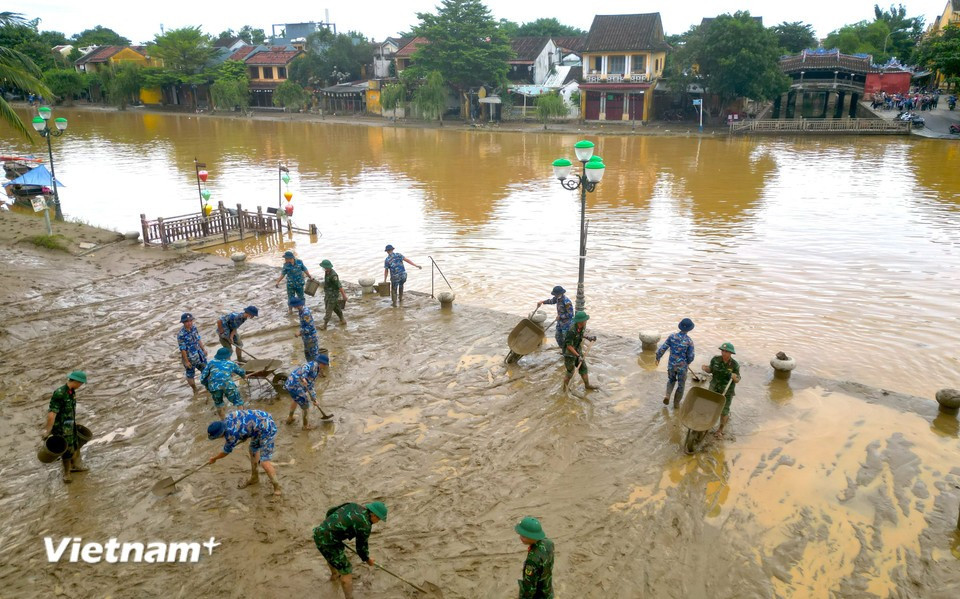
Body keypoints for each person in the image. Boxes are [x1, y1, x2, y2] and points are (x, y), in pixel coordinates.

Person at [313, 501, 388, 599]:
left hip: (319, 531)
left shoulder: (353, 505)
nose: (378, 522)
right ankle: (349, 598)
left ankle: (334, 575)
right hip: (328, 542)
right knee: (346, 570)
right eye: (379, 519)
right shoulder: (365, 525)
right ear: (374, 515)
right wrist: (368, 560)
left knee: (331, 556)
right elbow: (361, 548)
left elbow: (331, 511)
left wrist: (330, 529)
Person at [207, 409, 281, 496]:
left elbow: (225, 452)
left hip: (267, 428)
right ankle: (254, 477)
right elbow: (243, 422)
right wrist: (245, 434)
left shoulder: (231, 434)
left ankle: (277, 490)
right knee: (252, 449)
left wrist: (214, 459)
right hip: (259, 424)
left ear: (220, 434)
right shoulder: (227, 418)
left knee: (265, 463)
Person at [41, 371, 88, 483]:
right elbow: (52, 414)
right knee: (66, 449)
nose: (81, 386)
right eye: (81, 383)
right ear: (76, 381)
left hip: (70, 425)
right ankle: (67, 473)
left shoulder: (71, 392)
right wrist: (47, 430)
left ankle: (75, 466)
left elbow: (69, 410)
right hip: (61, 428)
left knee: (75, 444)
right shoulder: (60, 393)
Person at [701, 342, 741, 439]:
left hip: (727, 391)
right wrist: (706, 368)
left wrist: (734, 377)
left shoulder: (735, 365)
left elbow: (738, 379)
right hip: (714, 387)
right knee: (710, 407)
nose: (724, 353)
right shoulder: (715, 359)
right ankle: (707, 425)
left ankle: (720, 430)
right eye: (723, 351)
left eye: (726, 351)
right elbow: (711, 370)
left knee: (724, 411)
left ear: (731, 353)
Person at [656, 318, 696, 407]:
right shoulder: (689, 341)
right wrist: (688, 363)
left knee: (671, 380)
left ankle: (667, 395)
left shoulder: (672, 336)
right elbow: (691, 356)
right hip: (682, 367)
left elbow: (663, 348)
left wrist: (658, 357)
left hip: (671, 365)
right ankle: (676, 404)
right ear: (689, 329)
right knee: (681, 386)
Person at [284, 355, 329, 429]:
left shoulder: (316, 369)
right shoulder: (313, 365)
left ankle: (290, 418)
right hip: (295, 385)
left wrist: (314, 399)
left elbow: (311, 385)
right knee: (305, 405)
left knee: (295, 400)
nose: (324, 367)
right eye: (324, 365)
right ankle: (305, 426)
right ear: (322, 363)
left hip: (290, 383)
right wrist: (304, 377)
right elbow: (305, 367)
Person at [200, 347, 246, 419]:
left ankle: (223, 421)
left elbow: (202, 378)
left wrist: (207, 386)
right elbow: (241, 372)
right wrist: (244, 377)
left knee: (219, 404)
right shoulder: (231, 363)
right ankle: (242, 419)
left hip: (214, 387)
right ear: (228, 356)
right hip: (228, 385)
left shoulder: (211, 363)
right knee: (238, 401)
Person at [515, 516, 554, 599]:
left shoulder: (532, 561)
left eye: (524, 536)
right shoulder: (549, 543)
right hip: (547, 588)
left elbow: (529, 589)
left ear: (532, 536)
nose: (520, 538)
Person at [563, 311, 598, 390]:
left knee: (583, 368)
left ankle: (587, 385)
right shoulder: (571, 331)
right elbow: (569, 346)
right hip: (569, 353)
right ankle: (565, 389)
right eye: (585, 320)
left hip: (577, 349)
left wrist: (588, 337)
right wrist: (578, 356)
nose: (586, 321)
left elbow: (580, 335)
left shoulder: (583, 326)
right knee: (570, 372)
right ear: (580, 321)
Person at [177, 312, 208, 393]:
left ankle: (208, 386)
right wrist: (186, 361)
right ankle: (195, 390)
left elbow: (198, 339)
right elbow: (182, 349)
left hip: (199, 354)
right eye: (187, 321)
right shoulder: (181, 334)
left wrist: (203, 349)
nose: (189, 323)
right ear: (183, 323)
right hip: (190, 357)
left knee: (206, 370)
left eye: (190, 321)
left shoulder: (194, 328)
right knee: (190, 374)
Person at [290, 297, 320, 362]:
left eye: (293, 306)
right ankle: (311, 369)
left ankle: (318, 370)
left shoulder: (305, 313)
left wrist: (300, 332)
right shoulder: (301, 311)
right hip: (306, 338)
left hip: (311, 338)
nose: (293, 308)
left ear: (296, 305)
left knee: (314, 356)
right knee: (308, 355)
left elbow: (310, 327)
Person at [320, 259, 347, 329]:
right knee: (336, 308)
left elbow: (339, 286)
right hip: (328, 294)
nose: (324, 269)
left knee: (329, 309)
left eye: (324, 267)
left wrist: (344, 295)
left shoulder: (333, 275)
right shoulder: (327, 272)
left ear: (328, 267)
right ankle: (342, 319)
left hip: (333, 295)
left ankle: (324, 325)